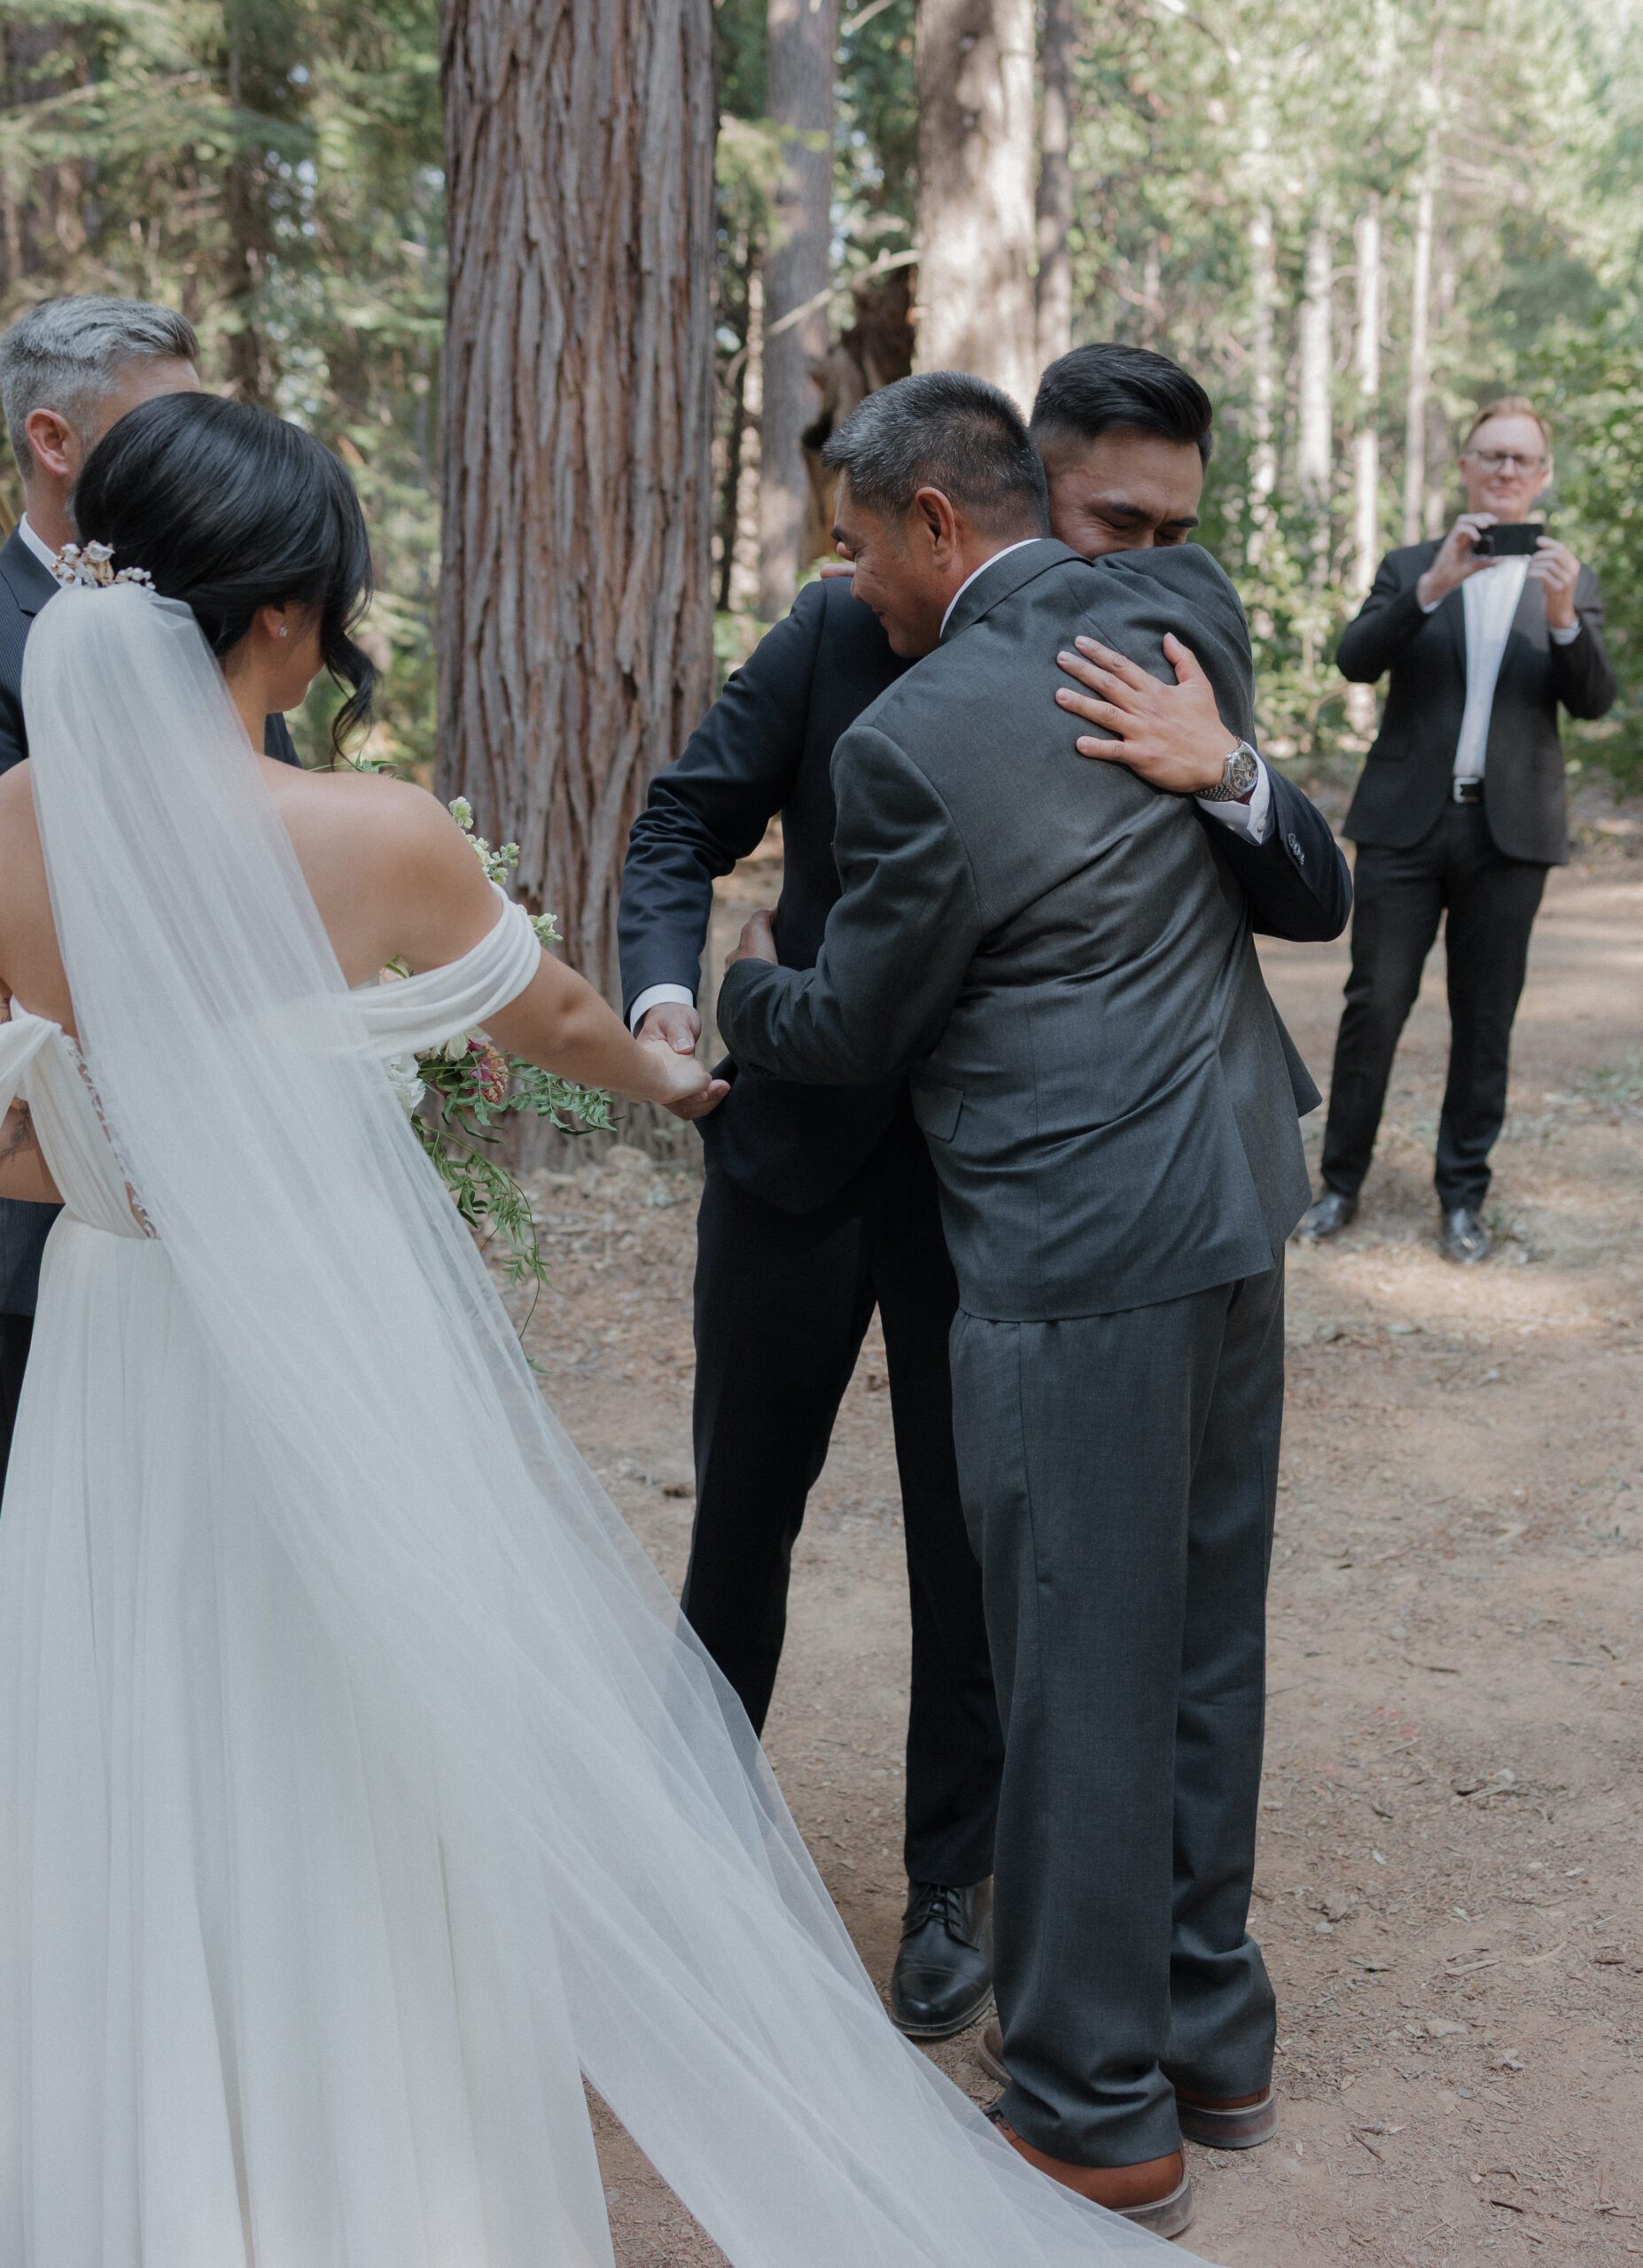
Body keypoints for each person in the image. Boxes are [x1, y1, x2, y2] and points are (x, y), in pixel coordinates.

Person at [0, 388, 1228, 2268]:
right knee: (352, 1719)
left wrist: (98, 1155)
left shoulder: (12, 829)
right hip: (315, 1325)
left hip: (108, 1336)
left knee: (133, 1713)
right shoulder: (373, 831)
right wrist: (669, 1075)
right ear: (272, 621)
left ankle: (151, 2164)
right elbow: (555, 1012)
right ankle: (374, 2170)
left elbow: (26, 1120)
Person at [619, 341, 1348, 2040]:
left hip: (1009, 1194)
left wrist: (1223, 765)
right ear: (1016, 495)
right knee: (742, 1516)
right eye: (1107, 521)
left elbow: (1293, 895)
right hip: (796, 1155)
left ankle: (951, 1889)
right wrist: (673, 998)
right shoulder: (836, 628)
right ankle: (677, 1850)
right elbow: (682, 822)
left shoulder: (1158, 645)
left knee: (977, 1559)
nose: (1129, 564)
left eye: (1162, 532)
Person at [0, 294, 301, 1489]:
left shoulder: (212, 623)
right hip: (48, 1201)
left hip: (240, 1194)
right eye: (160, 426)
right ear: (52, 439)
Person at [1300, 394, 1616, 1262]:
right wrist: (1434, 588)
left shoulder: (1568, 577)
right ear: (1467, 466)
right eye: (1492, 455)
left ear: (1541, 477)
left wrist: (1561, 622)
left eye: (1522, 459)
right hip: (1405, 826)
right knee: (1376, 1004)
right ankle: (1340, 1185)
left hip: (1509, 836)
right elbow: (1356, 659)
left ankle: (1462, 1197)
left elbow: (1594, 701)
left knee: (1487, 1017)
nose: (1506, 470)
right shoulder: (1412, 564)